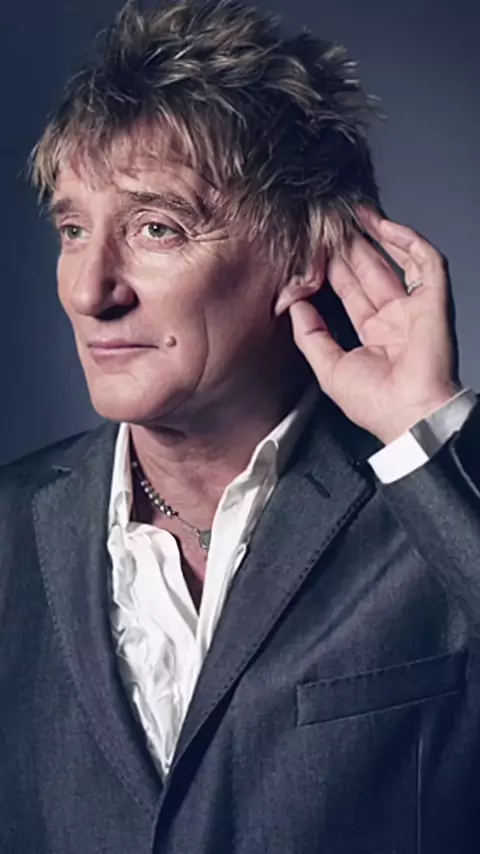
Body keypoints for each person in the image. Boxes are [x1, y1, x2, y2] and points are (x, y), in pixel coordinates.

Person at [1, 0, 479, 851]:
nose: (87, 290)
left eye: (156, 227)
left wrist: (424, 426)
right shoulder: (9, 527)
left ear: (302, 256)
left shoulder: (432, 506)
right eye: (73, 229)